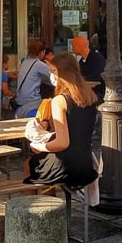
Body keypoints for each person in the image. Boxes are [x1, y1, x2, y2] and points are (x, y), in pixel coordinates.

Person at [23, 53, 99, 189]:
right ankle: (50, 205)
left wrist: (39, 146)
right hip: (86, 164)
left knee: (29, 164)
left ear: (64, 74)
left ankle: (38, 208)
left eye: (53, 71)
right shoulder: (91, 96)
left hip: (66, 165)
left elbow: (63, 143)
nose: (51, 75)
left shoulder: (59, 100)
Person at [15, 38, 53, 118]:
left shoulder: (24, 62)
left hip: (20, 100)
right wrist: (50, 63)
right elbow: (54, 76)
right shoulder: (38, 64)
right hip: (32, 101)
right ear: (41, 52)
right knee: (51, 104)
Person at [74, 34, 105, 102]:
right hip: (86, 91)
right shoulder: (81, 61)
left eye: (74, 45)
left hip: (97, 93)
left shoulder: (97, 58)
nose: (72, 48)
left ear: (80, 46)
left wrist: (80, 79)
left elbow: (97, 76)